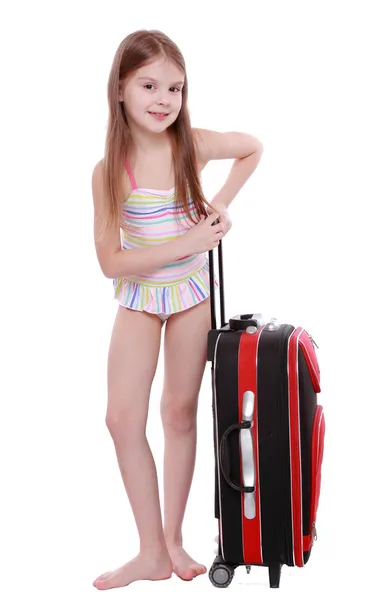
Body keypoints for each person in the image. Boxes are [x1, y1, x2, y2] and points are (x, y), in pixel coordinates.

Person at [91, 29, 263, 590]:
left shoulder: (191, 144)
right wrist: (189, 241)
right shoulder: (109, 169)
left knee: (178, 413)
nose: (163, 100)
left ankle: (172, 541)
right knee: (121, 418)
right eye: (149, 85)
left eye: (175, 88)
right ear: (120, 89)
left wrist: (214, 210)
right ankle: (148, 551)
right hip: (140, 299)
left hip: (190, 297)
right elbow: (112, 263)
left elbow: (252, 146)